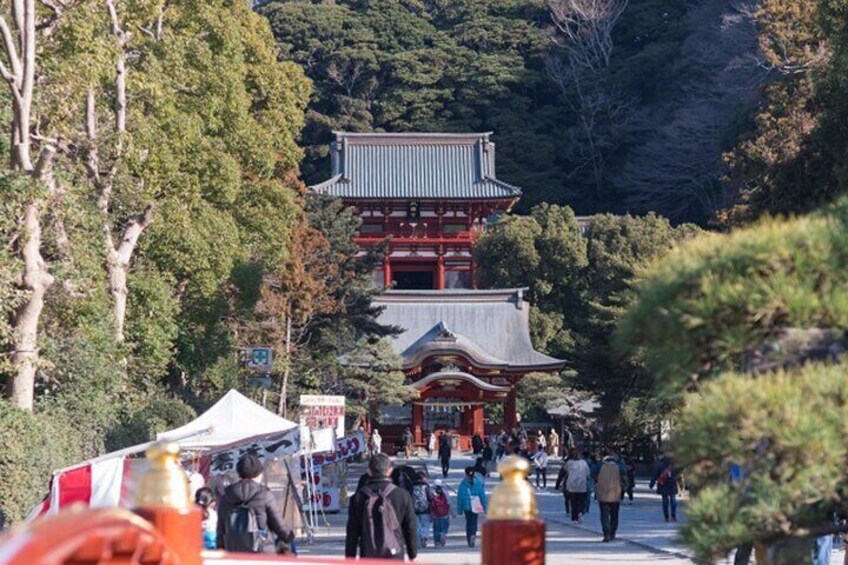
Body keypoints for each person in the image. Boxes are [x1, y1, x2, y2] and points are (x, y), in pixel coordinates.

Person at [345, 453, 418, 561]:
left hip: (368, 555)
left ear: (369, 471)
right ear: (389, 471)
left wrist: (350, 557)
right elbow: (410, 527)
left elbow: (352, 532)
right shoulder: (402, 495)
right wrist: (413, 554)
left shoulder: (358, 498)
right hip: (395, 554)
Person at [217, 455, 294, 554]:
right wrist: (289, 536)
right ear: (259, 474)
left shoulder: (226, 497)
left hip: (234, 554)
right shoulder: (265, 494)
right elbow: (279, 526)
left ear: (239, 474)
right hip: (262, 553)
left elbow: (221, 529)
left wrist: (221, 550)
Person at [596, 453, 626, 542]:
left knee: (604, 515)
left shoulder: (600, 465)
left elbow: (591, 473)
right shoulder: (619, 466)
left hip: (602, 493)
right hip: (615, 494)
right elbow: (625, 474)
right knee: (614, 515)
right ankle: (613, 533)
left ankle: (606, 533)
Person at [456, 466, 488, 547]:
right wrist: (485, 507)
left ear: (465, 474)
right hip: (476, 504)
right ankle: (473, 534)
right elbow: (482, 495)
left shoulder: (463, 484)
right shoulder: (478, 483)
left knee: (468, 522)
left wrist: (459, 509)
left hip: (467, 506)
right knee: (474, 521)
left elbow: (460, 497)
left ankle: (469, 537)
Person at [563, 447, 591, 523]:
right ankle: (580, 512)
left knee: (573, 502)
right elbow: (588, 474)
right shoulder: (584, 463)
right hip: (582, 485)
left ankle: (574, 518)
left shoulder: (569, 463)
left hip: (572, 485)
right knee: (581, 501)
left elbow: (565, 471)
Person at [650, 454, 679, 522]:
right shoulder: (674, 466)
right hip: (672, 485)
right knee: (673, 500)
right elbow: (678, 476)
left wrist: (652, 483)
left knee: (665, 501)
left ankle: (666, 517)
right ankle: (673, 516)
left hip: (663, 485)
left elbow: (655, 475)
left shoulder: (660, 465)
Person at [411, 472, 434, 548]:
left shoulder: (412, 487)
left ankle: (419, 541)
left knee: (417, 526)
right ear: (422, 478)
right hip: (425, 509)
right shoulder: (426, 487)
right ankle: (424, 537)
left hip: (415, 510)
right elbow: (431, 497)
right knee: (425, 525)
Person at [430, 479, 452, 547]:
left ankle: (437, 542)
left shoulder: (432, 492)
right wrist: (450, 512)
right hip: (444, 513)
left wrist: (431, 513)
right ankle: (443, 534)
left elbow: (430, 503)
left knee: (436, 528)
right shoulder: (445, 492)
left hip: (435, 514)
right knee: (444, 526)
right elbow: (448, 503)